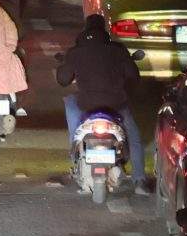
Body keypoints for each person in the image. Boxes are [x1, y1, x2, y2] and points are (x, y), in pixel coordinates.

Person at [54, 14, 148, 190]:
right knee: (134, 137)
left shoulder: (76, 52)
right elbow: (134, 77)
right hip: (116, 105)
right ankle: (139, 180)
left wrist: (66, 63)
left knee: (70, 102)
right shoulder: (118, 50)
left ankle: (75, 149)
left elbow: (63, 80)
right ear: (104, 31)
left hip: (86, 105)